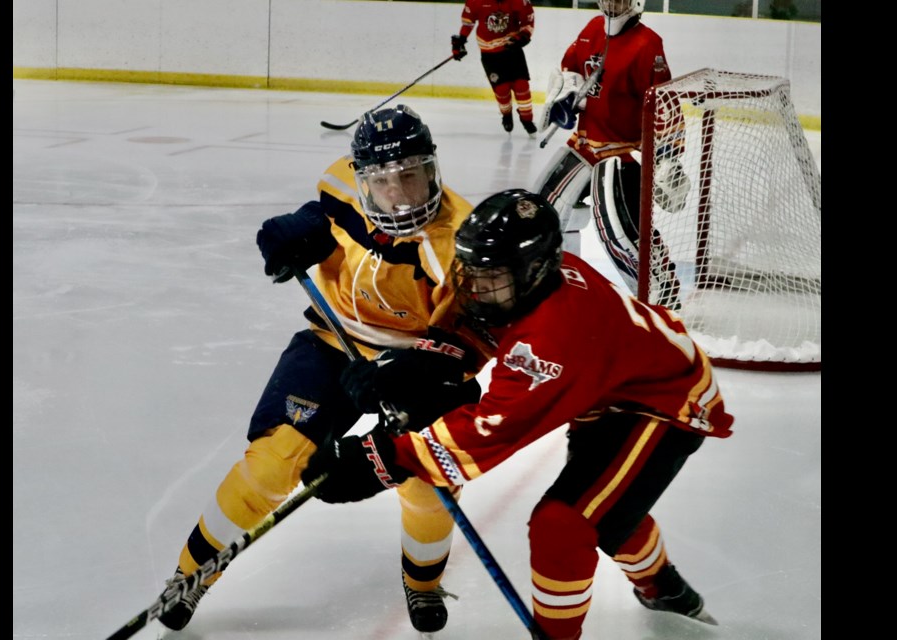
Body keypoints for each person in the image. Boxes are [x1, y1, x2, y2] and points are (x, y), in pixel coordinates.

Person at [302, 189, 733, 640]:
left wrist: (379, 460)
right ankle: (663, 588)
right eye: (471, 272)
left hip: (662, 400)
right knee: (604, 508)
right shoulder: (520, 284)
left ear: (535, 271)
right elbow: (467, 334)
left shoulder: (555, 339)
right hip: (606, 387)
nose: (474, 287)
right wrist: (407, 370)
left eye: (492, 278)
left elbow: (487, 432)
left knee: (563, 525)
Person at [155, 104, 491, 636]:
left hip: (419, 364)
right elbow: (322, 216)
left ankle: (423, 583)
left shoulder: (458, 243)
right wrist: (300, 231)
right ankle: (192, 575)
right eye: (385, 182)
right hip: (332, 340)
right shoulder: (339, 179)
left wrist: (406, 372)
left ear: (433, 169)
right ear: (362, 181)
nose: (402, 194)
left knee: (429, 482)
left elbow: (468, 342)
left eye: (412, 175)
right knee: (271, 462)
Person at [532, 0, 690, 308]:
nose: (611, 4)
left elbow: (663, 100)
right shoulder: (592, 29)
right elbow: (571, 69)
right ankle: (557, 281)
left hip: (621, 152)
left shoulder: (648, 44)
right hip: (585, 143)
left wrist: (668, 156)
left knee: (617, 230)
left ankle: (661, 292)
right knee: (543, 213)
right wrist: (564, 98)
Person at [451, 0, 538, 135]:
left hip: (512, 50)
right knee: (502, 90)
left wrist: (523, 36)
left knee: (522, 86)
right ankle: (506, 114)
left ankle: (526, 119)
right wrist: (460, 41)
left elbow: (527, 21)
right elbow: (468, 22)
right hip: (490, 54)